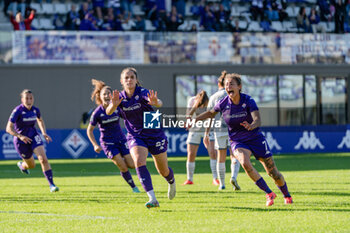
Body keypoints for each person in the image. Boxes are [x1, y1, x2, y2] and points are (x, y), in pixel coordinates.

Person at [193, 73, 293, 206]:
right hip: (237, 141)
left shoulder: (248, 100)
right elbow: (211, 113)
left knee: (273, 172)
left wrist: (252, 125)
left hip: (255, 138)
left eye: (231, 84)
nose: (228, 87)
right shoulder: (223, 103)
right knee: (245, 163)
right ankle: (269, 193)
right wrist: (194, 120)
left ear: (239, 86)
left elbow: (258, 120)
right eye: (226, 85)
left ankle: (287, 195)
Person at [106, 67, 176, 208]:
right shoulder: (119, 97)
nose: (129, 80)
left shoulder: (143, 92)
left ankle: (171, 181)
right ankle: (152, 198)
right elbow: (108, 112)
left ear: (136, 80)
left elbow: (159, 103)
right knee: (138, 161)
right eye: (126, 78)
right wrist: (113, 105)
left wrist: (156, 103)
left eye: (132, 77)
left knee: (163, 170)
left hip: (154, 131)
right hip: (135, 135)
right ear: (121, 81)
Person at [87, 79, 140, 193]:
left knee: (131, 164)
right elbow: (89, 130)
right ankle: (134, 187)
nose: (106, 96)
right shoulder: (97, 112)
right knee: (122, 166)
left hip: (121, 139)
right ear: (100, 97)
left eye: (108, 94)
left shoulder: (117, 108)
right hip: (108, 143)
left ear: (112, 96)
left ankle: (128, 170)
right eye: (104, 94)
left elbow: (128, 117)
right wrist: (95, 145)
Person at [6, 89, 59, 192]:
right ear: (22, 99)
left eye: (31, 98)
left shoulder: (35, 110)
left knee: (43, 159)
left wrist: (43, 132)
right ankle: (23, 165)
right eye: (26, 98)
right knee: (31, 165)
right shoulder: (17, 111)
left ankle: (52, 185)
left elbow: (40, 120)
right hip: (21, 141)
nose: (29, 100)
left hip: (34, 136)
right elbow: (8, 128)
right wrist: (20, 136)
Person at [202, 71, 241, 191]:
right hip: (233, 129)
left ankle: (222, 184)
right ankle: (234, 177)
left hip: (219, 130)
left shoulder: (214, 97)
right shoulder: (235, 94)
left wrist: (206, 133)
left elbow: (210, 116)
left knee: (221, 156)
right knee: (234, 154)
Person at [183, 90, 219, 186]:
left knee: (212, 153)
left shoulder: (210, 101)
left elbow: (211, 116)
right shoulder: (192, 100)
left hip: (208, 129)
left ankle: (215, 178)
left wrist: (207, 132)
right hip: (195, 130)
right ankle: (189, 179)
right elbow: (188, 115)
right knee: (191, 154)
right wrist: (195, 107)